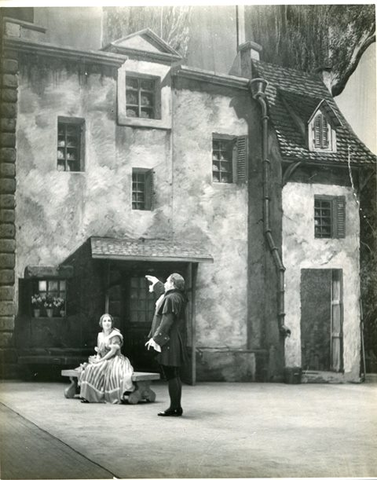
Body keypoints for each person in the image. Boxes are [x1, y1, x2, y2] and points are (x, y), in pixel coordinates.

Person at [145, 273, 188, 417]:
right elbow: (164, 294)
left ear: (173, 284)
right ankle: (176, 407)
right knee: (173, 374)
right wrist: (157, 283)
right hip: (172, 339)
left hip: (168, 340)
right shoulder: (175, 296)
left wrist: (156, 339)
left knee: (171, 374)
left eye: (166, 281)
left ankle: (175, 408)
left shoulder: (172, 298)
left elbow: (166, 322)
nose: (165, 283)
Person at [77, 313, 134, 404]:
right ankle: (88, 396)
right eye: (105, 321)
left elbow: (113, 352)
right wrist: (98, 358)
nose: (107, 323)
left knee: (107, 371)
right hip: (103, 358)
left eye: (109, 321)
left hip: (115, 359)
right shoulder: (100, 335)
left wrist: (101, 360)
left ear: (112, 323)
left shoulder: (115, 335)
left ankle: (109, 396)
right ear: (101, 323)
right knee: (90, 368)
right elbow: (100, 350)